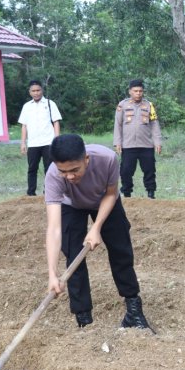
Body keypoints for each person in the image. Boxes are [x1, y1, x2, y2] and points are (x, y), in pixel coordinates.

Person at [44, 134, 152, 331]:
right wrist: (52, 273)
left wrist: (96, 227)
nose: (69, 176)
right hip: (72, 206)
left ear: (86, 159)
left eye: (74, 170)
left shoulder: (107, 158)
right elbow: (54, 228)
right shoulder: (52, 175)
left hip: (104, 199)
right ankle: (83, 319)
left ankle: (134, 311)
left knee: (121, 249)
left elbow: (111, 193)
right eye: (63, 172)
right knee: (74, 255)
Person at [113, 79, 162, 198]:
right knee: (126, 171)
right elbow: (118, 125)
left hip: (146, 145)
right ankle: (126, 193)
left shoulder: (148, 105)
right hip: (128, 145)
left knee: (149, 170)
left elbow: (155, 124)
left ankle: (151, 192)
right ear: (130, 91)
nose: (138, 93)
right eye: (135, 91)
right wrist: (117, 143)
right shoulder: (122, 105)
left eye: (140, 91)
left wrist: (158, 142)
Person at [18, 80, 61, 196]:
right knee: (32, 168)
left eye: (38, 90)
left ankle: (48, 192)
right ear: (29, 92)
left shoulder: (50, 104)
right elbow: (24, 125)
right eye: (33, 91)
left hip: (48, 142)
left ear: (42, 90)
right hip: (33, 143)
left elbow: (56, 122)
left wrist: (57, 140)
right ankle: (31, 193)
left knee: (50, 168)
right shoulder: (26, 106)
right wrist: (23, 143)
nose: (36, 93)